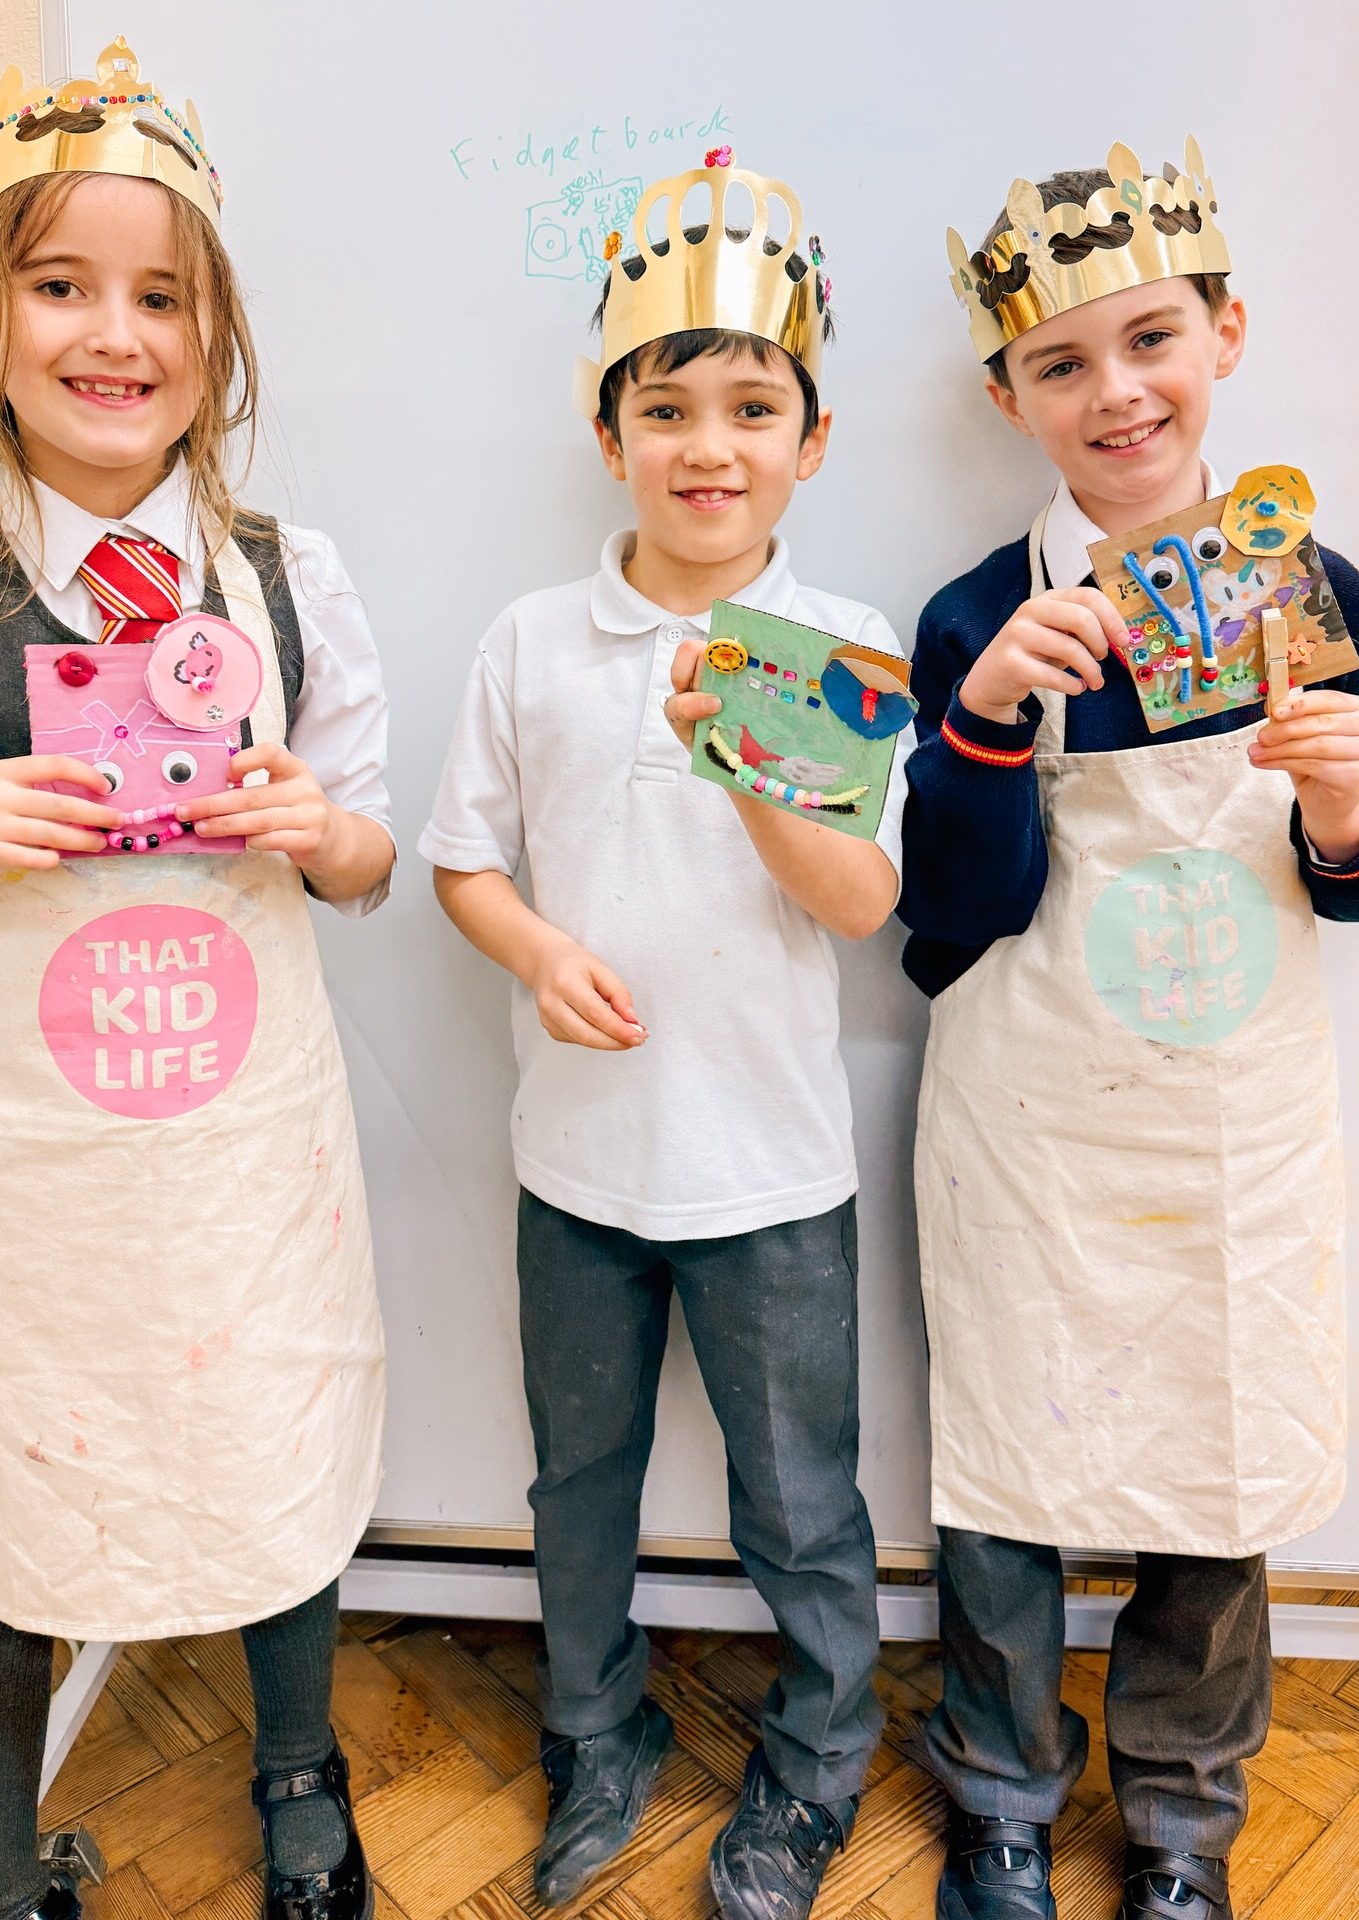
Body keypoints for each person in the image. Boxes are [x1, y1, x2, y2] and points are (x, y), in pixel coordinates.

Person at [0, 38, 394, 1920]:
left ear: (217, 338)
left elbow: (366, 861)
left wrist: (309, 826)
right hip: (37, 1189)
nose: (113, 335)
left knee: (268, 1440)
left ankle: (300, 1782)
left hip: (243, 1158)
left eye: (161, 295)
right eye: (60, 286)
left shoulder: (289, 580)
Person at [421, 150, 912, 1920]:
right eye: (669, 406)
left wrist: (751, 754)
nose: (711, 444)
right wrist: (538, 950)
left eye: (754, 408)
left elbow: (862, 908)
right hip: (579, 1165)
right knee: (579, 1484)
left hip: (773, 1168)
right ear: (609, 427)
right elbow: (462, 861)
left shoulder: (846, 648)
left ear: (815, 439)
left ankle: (816, 1764)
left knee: (802, 1502)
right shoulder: (537, 639)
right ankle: (595, 1737)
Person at [900, 139, 1359, 1920]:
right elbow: (949, 907)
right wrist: (995, 720)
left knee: (1220, 1450)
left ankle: (1182, 1814)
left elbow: (1343, 888)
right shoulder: (968, 613)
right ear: (1006, 393)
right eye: (1062, 364)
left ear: (1228, 336)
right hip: (1037, 1108)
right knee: (1009, 1457)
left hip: (1237, 1111)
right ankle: (1002, 1792)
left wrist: (1339, 808)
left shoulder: (1313, 592)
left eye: (1151, 341)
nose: (1117, 393)